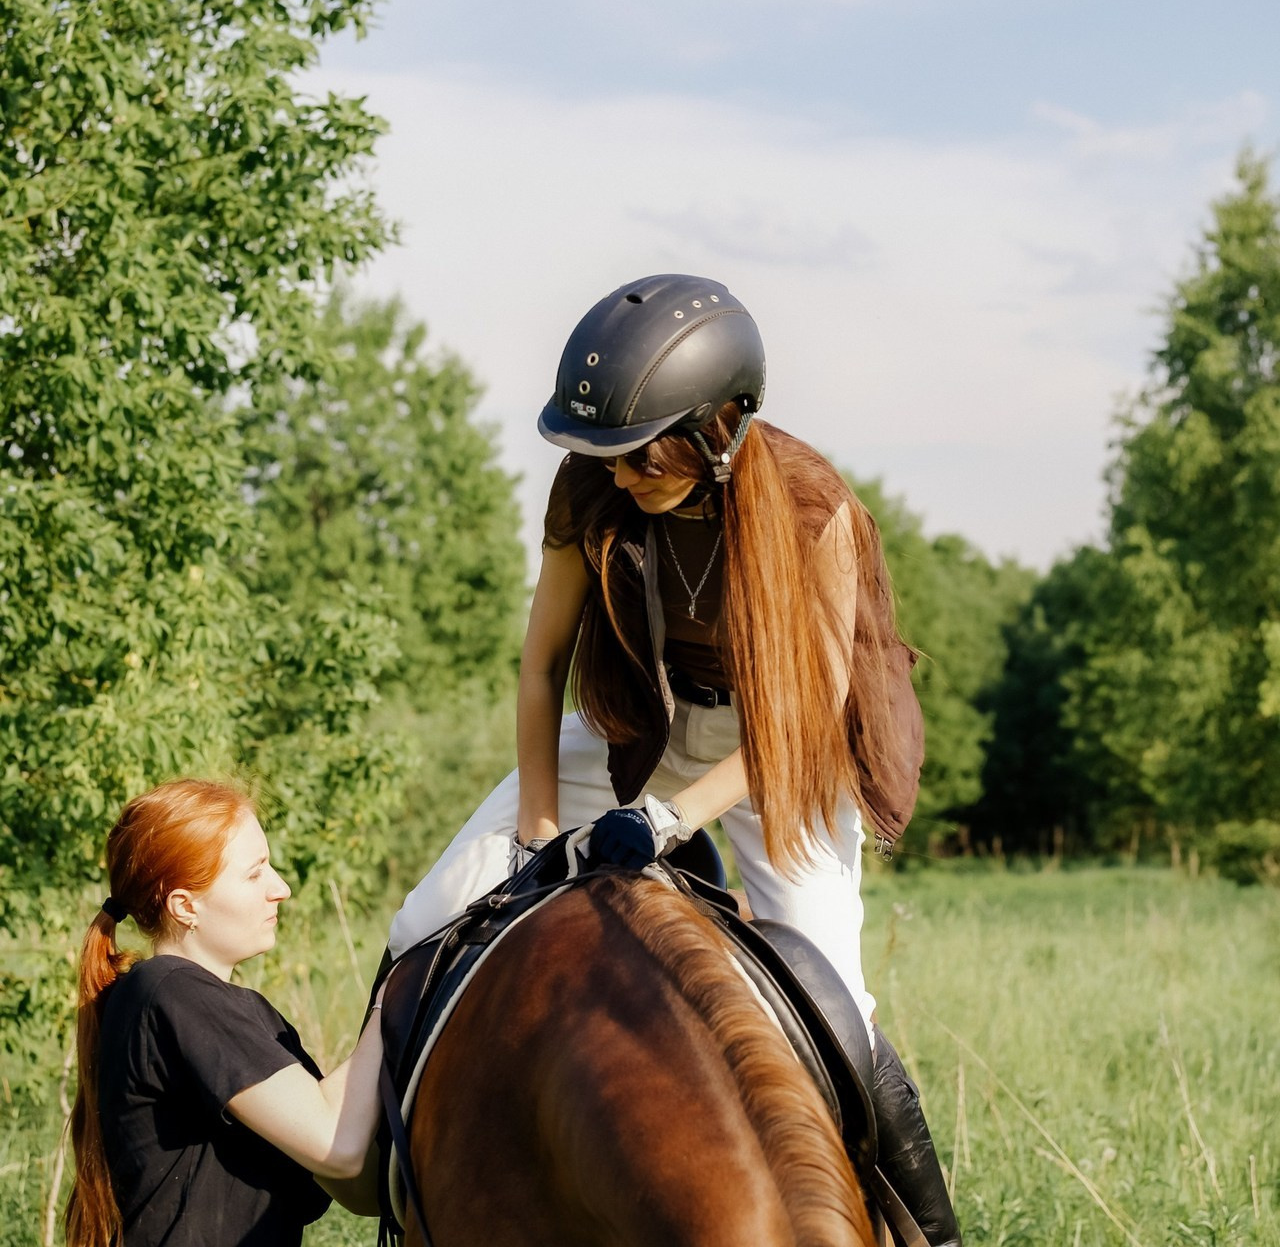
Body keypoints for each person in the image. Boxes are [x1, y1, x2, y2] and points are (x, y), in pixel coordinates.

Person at [389, 273, 960, 1245]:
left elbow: (798, 727)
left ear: (719, 424)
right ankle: (397, 1194)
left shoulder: (812, 509)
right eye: (604, 453)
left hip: (779, 749)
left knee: (841, 1011)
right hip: (640, 725)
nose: (618, 474)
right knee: (421, 917)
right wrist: (535, 821)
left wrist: (664, 820)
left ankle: (927, 1230)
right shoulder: (592, 481)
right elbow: (538, 668)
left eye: (639, 453)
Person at [65, 778, 385, 1247]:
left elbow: (362, 1189)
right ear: (185, 905)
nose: (282, 888)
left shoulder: (238, 1012)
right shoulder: (170, 991)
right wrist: (395, 994)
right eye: (255, 874)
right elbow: (338, 1146)